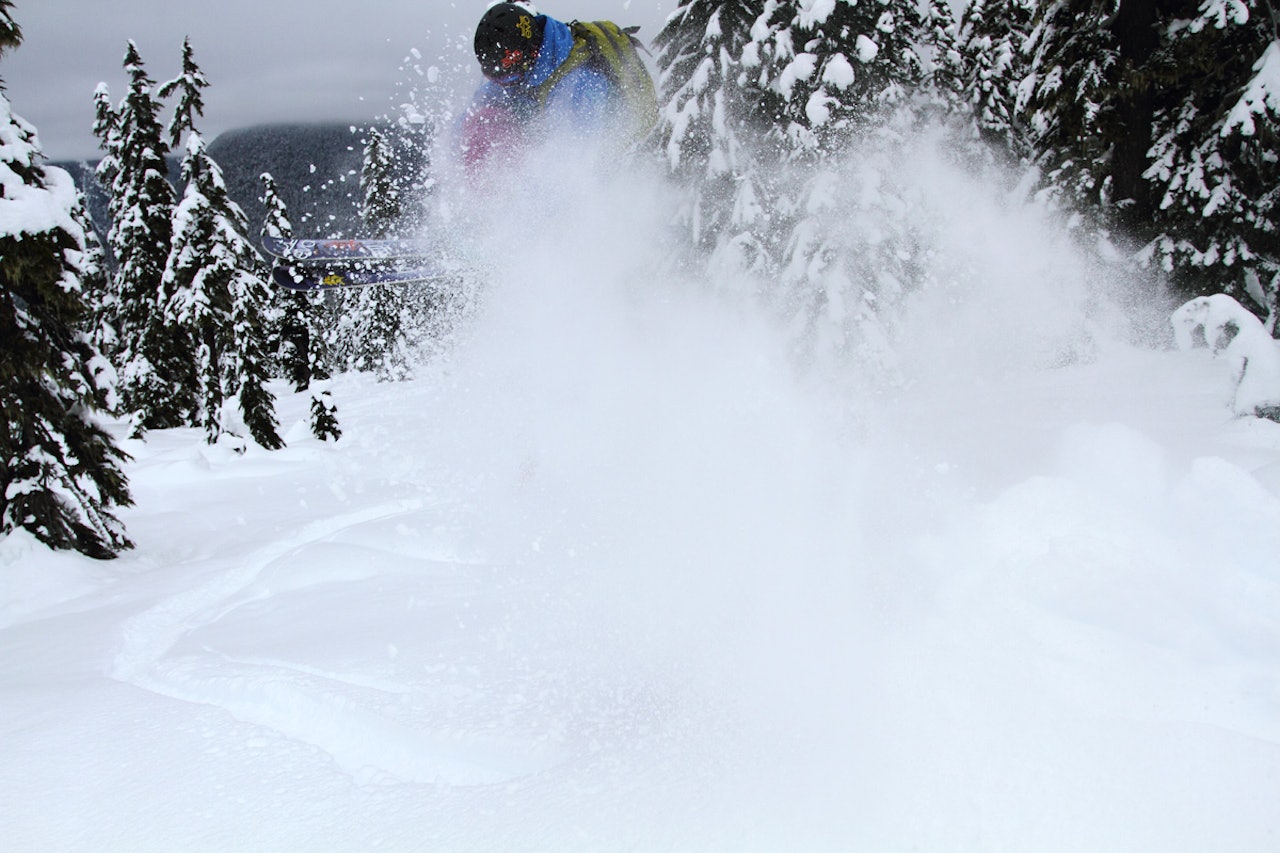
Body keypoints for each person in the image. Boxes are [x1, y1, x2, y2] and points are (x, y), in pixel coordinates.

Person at [460, 2, 655, 171]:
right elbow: (482, 103)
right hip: (549, 140)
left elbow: (572, 171)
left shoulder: (579, 86)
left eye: (507, 76)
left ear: (530, 56)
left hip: (614, 164)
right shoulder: (531, 65)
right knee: (484, 119)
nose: (502, 83)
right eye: (496, 78)